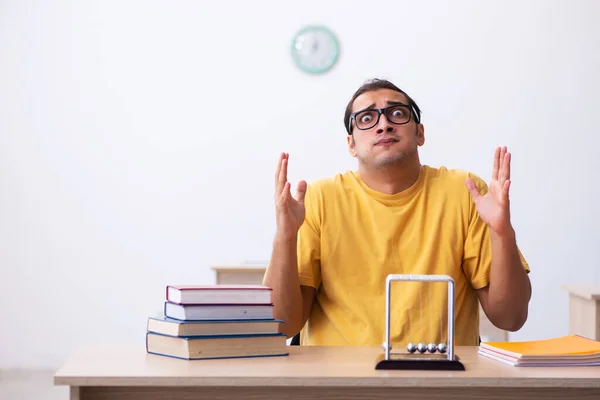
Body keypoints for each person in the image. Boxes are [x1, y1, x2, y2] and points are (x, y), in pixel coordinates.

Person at [263, 78, 531, 347]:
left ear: (420, 133)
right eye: (366, 118)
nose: (383, 124)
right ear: (351, 145)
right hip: (339, 383)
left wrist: (502, 232)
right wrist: (284, 237)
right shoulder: (318, 198)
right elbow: (281, 325)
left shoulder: (465, 192)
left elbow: (510, 318)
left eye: (397, 113)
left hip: (442, 381)